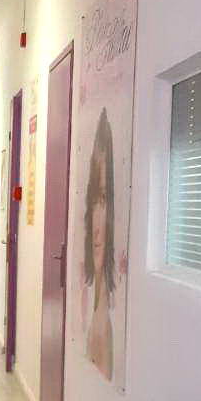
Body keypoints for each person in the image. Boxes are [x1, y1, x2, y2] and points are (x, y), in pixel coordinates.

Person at [83, 107, 115, 381]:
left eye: (104, 198)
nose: (97, 218)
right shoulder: (87, 305)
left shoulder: (107, 323)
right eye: (94, 199)